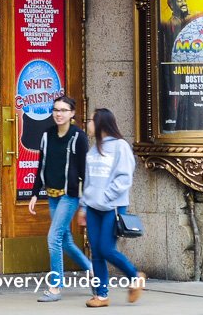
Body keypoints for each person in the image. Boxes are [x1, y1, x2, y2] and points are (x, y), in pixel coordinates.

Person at [28, 95, 92, 302]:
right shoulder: (47, 134)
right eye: (56, 109)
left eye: (63, 110)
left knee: (53, 238)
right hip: (52, 194)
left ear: (72, 113)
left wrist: (84, 202)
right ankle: (92, 270)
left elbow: (85, 171)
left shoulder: (78, 137)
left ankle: (55, 287)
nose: (59, 113)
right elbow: (41, 164)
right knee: (65, 240)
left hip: (70, 195)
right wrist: (35, 193)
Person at [78, 109, 146, 308]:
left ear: (100, 123)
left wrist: (106, 197)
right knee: (96, 253)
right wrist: (83, 206)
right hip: (92, 208)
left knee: (107, 249)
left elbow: (125, 177)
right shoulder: (93, 150)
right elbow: (88, 181)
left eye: (90, 120)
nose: (87, 124)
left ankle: (135, 276)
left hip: (112, 207)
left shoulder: (120, 147)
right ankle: (101, 295)